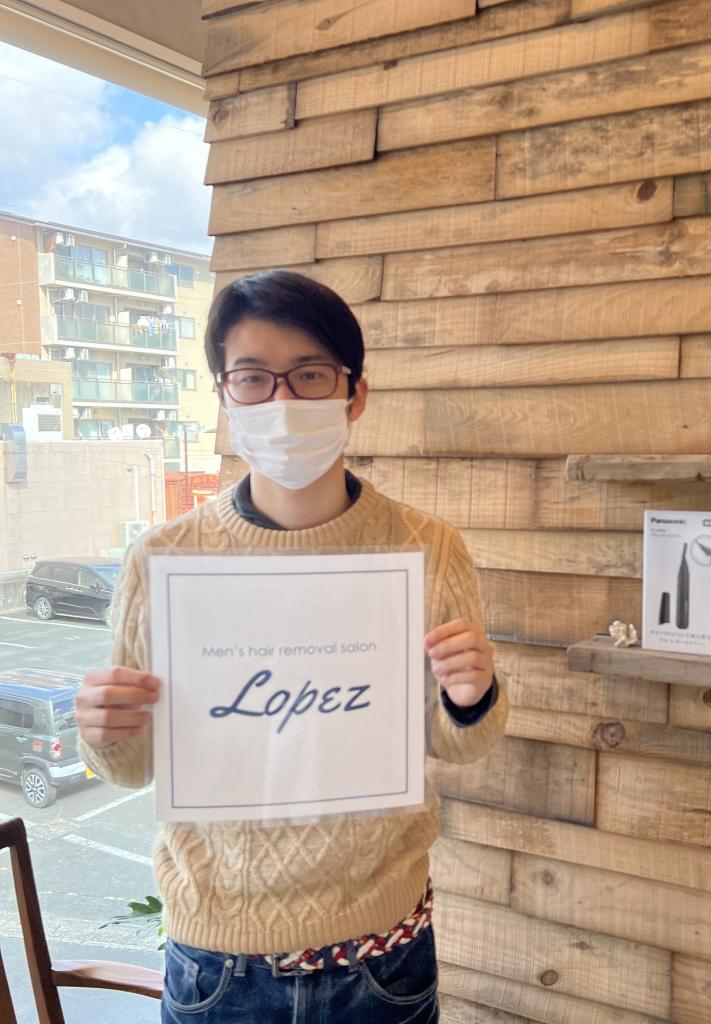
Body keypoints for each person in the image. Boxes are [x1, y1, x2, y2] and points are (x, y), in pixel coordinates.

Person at [74, 270, 508, 1024]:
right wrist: (104, 728)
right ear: (224, 395)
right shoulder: (166, 560)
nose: (281, 401)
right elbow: (132, 766)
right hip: (217, 965)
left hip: (383, 954)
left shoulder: (428, 548)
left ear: (354, 394)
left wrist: (471, 698)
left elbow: (456, 743)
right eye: (252, 378)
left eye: (310, 375)